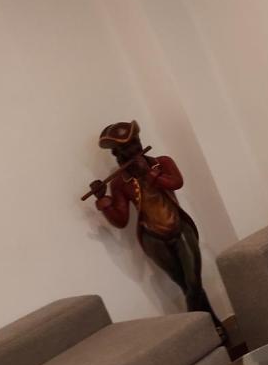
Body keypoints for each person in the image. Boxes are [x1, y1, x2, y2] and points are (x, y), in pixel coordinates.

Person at [89, 121, 221, 331]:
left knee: (193, 283)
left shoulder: (162, 163)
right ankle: (214, 328)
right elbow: (121, 220)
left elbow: (176, 182)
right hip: (152, 239)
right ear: (117, 153)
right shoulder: (120, 183)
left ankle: (205, 330)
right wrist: (103, 201)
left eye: (135, 143)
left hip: (180, 228)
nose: (133, 150)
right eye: (126, 148)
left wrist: (150, 173)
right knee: (186, 286)